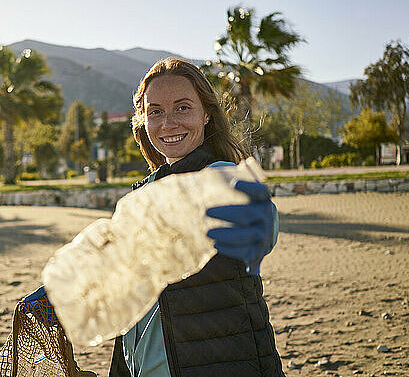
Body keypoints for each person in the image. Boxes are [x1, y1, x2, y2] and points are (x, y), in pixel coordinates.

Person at [107, 57, 284, 377]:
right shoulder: (141, 195)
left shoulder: (222, 177)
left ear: (206, 113)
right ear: (143, 120)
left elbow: (261, 223)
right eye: (156, 111)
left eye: (183, 107)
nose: (168, 122)